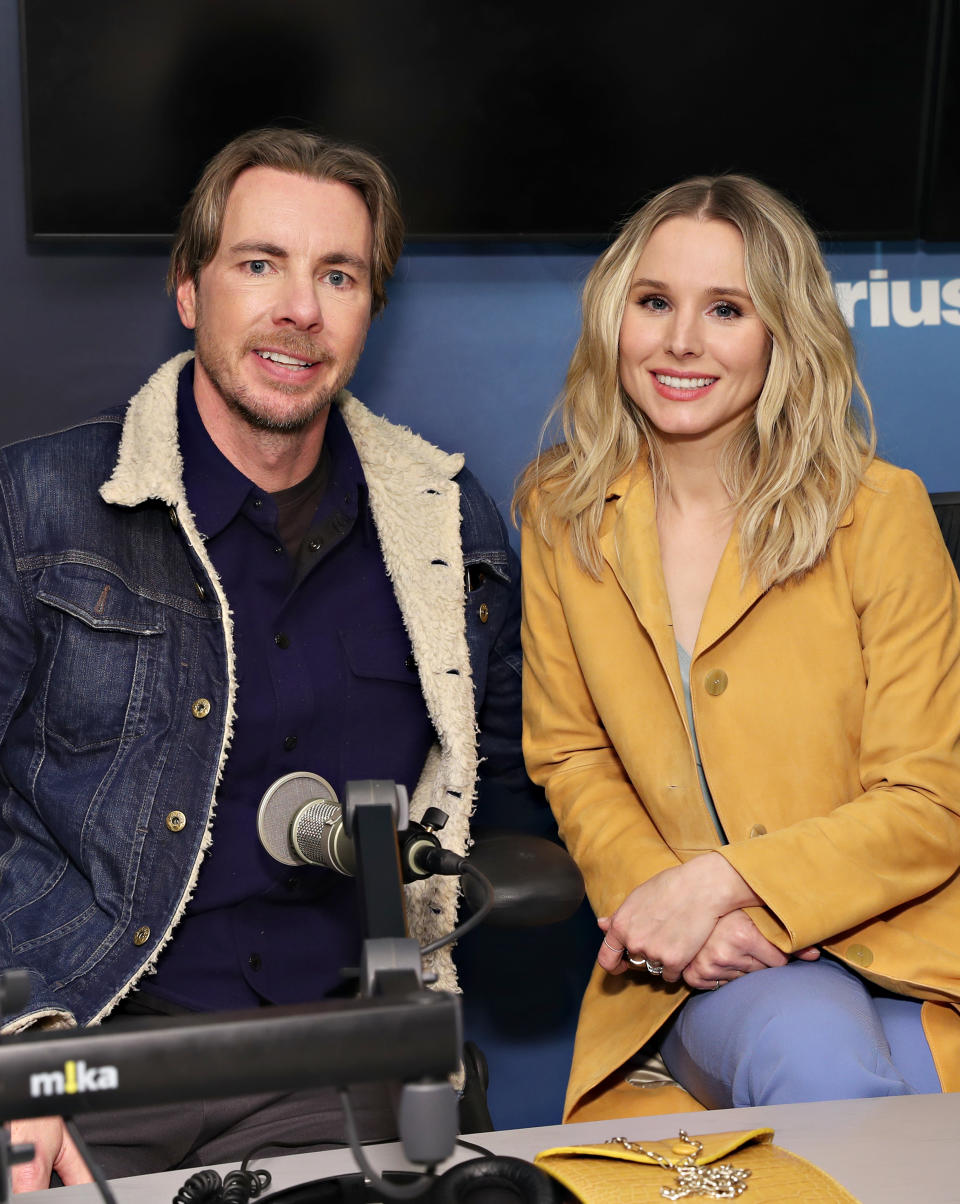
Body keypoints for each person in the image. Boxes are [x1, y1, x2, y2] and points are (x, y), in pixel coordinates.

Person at [0, 127, 524, 1187]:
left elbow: (509, 784)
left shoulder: (442, 529)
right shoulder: (38, 505)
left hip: (331, 1067)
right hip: (83, 1045)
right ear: (189, 289)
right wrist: (21, 1055)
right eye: (260, 264)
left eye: (338, 274)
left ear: (370, 309)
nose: (300, 308)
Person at [515, 173, 960, 1124]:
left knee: (894, 1110)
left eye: (726, 309)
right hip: (702, 969)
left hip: (910, 945)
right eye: (655, 302)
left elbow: (928, 802)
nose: (682, 341)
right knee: (816, 1057)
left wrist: (722, 883)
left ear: (782, 334)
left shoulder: (883, 512)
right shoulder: (560, 513)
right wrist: (668, 913)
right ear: (614, 319)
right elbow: (570, 754)